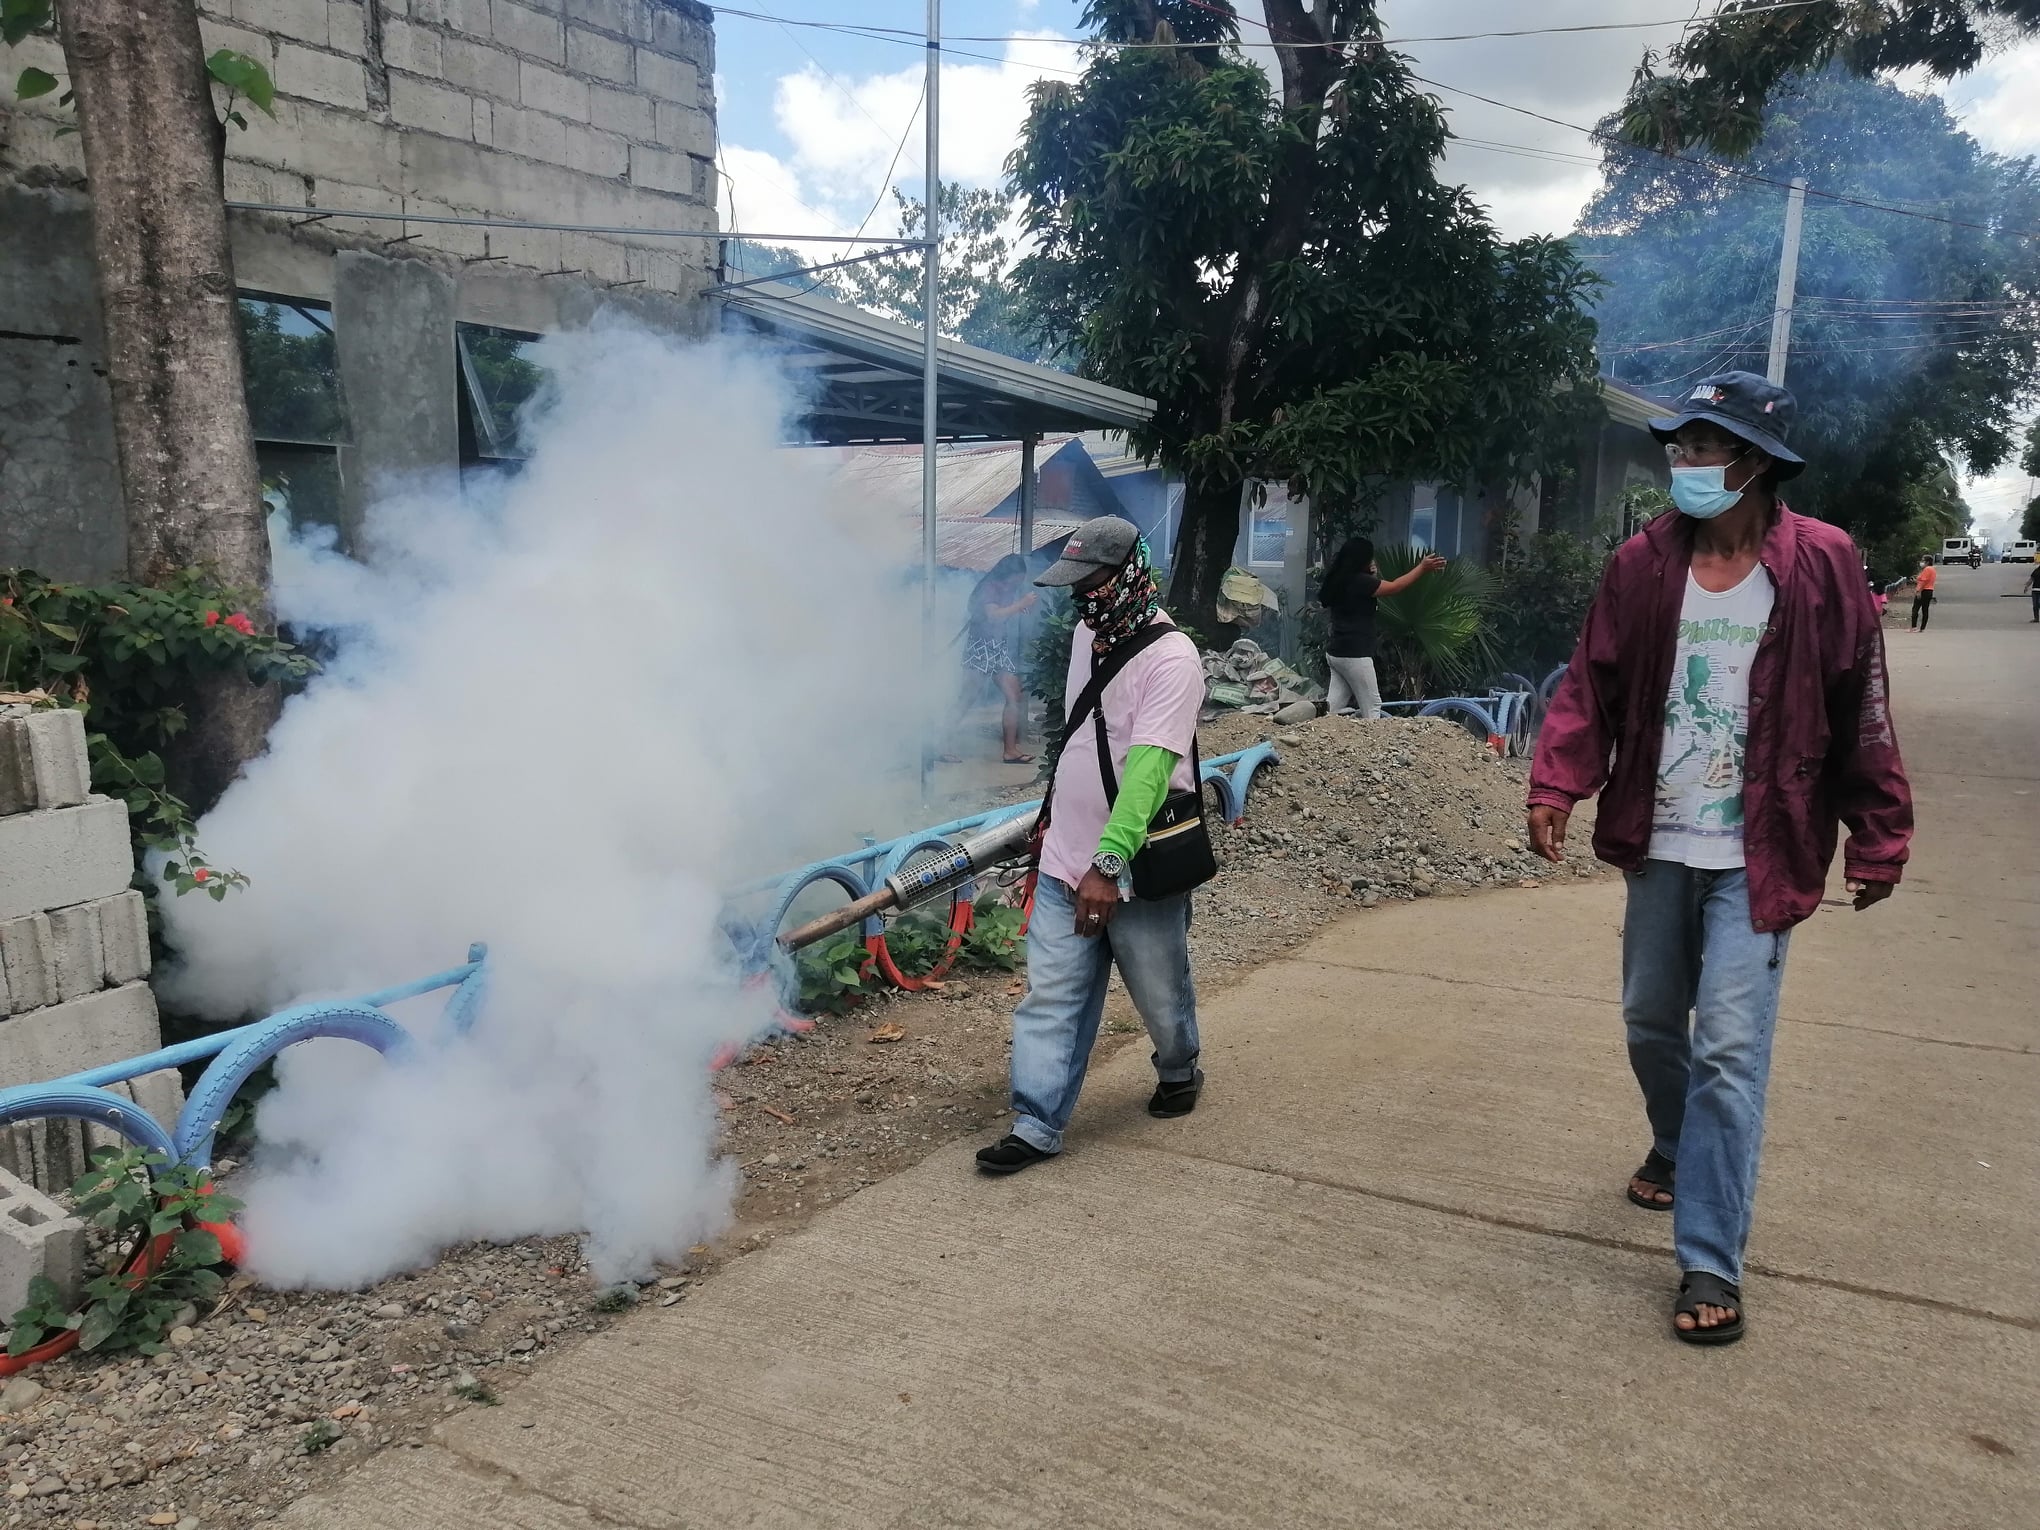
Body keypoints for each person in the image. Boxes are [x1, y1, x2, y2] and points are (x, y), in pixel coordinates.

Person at [1526, 371, 1913, 1346]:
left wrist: (1878, 828)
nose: (1684, 464)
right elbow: (1591, 684)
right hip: (1658, 835)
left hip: (1763, 848)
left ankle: (1709, 1256)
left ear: (1755, 462)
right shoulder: (1644, 564)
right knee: (1651, 1019)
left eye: (1703, 447)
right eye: (1682, 446)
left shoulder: (1822, 565)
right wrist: (1556, 782)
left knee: (1730, 1050)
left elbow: (1860, 703)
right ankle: (1673, 1139)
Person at [975, 516, 1205, 1175]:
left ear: (1129, 571)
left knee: (1160, 996)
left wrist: (1108, 865)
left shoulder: (1173, 658)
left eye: (1091, 582)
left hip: (1137, 865)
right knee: (1050, 995)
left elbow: (1149, 771)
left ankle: (1179, 1065)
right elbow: (1081, 737)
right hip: (1064, 856)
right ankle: (1035, 1122)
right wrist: (1053, 823)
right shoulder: (1085, 634)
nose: (1081, 597)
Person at [1317, 537, 1448, 717]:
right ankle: (1375, 745)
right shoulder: (1360, 581)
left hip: (1337, 653)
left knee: (1332, 708)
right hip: (1356, 654)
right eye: (1370, 557)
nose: (1372, 560)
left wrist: (1371, 575)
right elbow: (1394, 587)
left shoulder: (1340, 579)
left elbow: (1367, 593)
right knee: (1373, 706)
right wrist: (1422, 568)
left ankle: (1318, 738)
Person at [961, 554, 1040, 764]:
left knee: (1015, 695)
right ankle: (936, 744)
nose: (1020, 582)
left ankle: (1010, 750)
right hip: (982, 647)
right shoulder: (990, 587)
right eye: (1018, 577)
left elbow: (1004, 613)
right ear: (1010, 574)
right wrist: (1020, 604)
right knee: (966, 698)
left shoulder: (1006, 588)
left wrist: (1019, 607)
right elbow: (993, 615)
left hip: (998, 647)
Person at [1909, 557, 1937, 631]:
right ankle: (1922, 628)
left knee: (1915, 609)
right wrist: (1916, 580)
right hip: (1929, 590)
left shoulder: (1927, 569)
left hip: (1923, 590)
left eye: (1923, 561)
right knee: (1925, 609)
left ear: (1927, 562)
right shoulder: (1933, 569)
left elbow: (1923, 582)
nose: (1921, 562)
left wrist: (1918, 591)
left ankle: (1914, 627)